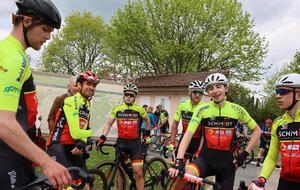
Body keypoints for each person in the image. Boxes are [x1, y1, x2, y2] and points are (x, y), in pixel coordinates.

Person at [0, 0, 72, 189]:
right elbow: (3, 122)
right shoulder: (14, 58)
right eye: (46, 29)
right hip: (8, 157)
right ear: (26, 22)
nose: (48, 37)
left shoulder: (7, 51)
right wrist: (47, 162)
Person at [169, 73, 261, 190]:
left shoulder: (237, 109)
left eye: (218, 86)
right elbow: (188, 134)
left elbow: (257, 130)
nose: (215, 90)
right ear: (208, 92)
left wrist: (245, 153)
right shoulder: (202, 109)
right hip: (205, 160)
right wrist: (179, 160)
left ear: (226, 88)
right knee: (182, 180)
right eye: (211, 88)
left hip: (226, 165)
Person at [46, 71, 99, 190]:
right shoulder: (71, 101)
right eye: (88, 84)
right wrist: (90, 133)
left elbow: (82, 129)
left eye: (94, 85)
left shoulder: (87, 104)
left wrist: (83, 141)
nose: (91, 87)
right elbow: (76, 133)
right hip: (58, 146)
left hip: (73, 148)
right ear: (80, 85)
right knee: (70, 186)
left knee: (86, 186)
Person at [249, 73, 300, 190]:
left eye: (282, 91)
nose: (278, 96)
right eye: (277, 91)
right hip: (285, 182)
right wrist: (261, 179)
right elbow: (272, 156)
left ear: (298, 95)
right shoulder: (278, 123)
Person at [97, 83, 150, 190]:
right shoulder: (117, 108)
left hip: (134, 144)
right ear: (124, 95)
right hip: (121, 143)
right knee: (120, 171)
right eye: (126, 95)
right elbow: (108, 123)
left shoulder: (139, 109)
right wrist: (103, 137)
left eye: (131, 95)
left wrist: (146, 134)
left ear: (135, 97)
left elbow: (147, 120)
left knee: (138, 173)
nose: (128, 97)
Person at [169, 80, 206, 188]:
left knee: (192, 175)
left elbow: (204, 133)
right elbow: (174, 125)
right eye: (195, 92)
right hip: (184, 141)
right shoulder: (182, 105)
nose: (197, 95)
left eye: (201, 92)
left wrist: (199, 150)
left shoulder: (204, 107)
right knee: (175, 170)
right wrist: (172, 142)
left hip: (197, 142)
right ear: (189, 92)